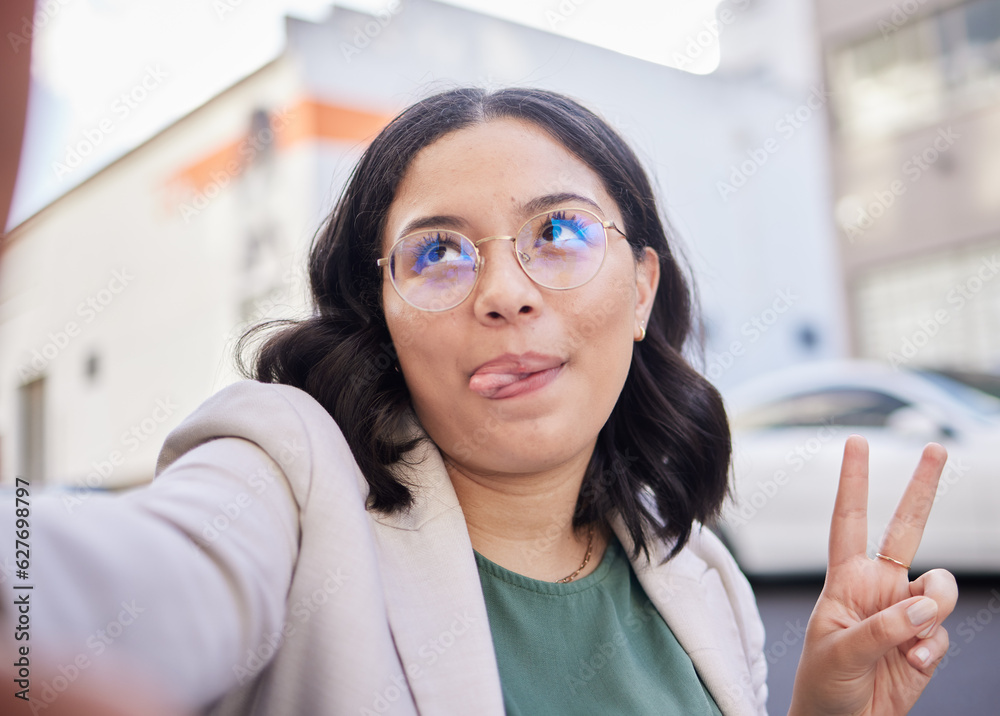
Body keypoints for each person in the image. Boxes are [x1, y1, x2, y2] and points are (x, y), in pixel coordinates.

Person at [0, 87, 957, 716]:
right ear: (382, 311)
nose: (503, 291)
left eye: (561, 232)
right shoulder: (288, 484)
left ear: (640, 289)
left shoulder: (702, 578)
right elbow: (81, 593)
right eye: (439, 252)